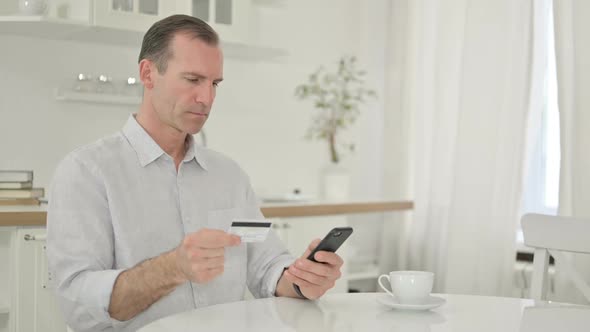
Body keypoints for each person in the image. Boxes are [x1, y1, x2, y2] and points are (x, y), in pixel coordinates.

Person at [47, 14, 344, 332]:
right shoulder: (86, 173)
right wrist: (171, 268)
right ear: (148, 73)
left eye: (214, 83)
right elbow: (77, 303)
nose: (207, 98)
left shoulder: (229, 176)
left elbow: (266, 264)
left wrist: (301, 280)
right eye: (192, 80)